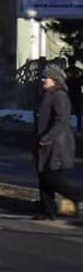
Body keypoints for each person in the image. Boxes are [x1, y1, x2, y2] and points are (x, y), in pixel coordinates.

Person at [34, 62, 82, 220]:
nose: (43, 80)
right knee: (43, 176)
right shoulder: (47, 94)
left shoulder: (60, 96)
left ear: (55, 79)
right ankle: (48, 211)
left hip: (57, 143)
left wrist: (48, 137)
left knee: (51, 177)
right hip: (45, 143)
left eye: (46, 77)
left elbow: (61, 121)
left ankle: (77, 196)